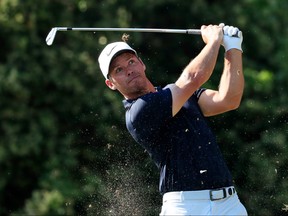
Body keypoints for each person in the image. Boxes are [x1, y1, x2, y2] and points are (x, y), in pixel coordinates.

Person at [98, 23, 247, 215]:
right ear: (111, 84)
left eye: (131, 62)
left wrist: (233, 48)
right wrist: (214, 40)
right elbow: (193, 77)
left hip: (230, 204)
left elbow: (228, 100)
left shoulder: (179, 94)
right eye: (118, 70)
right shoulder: (138, 112)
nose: (128, 70)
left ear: (142, 63)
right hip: (186, 207)